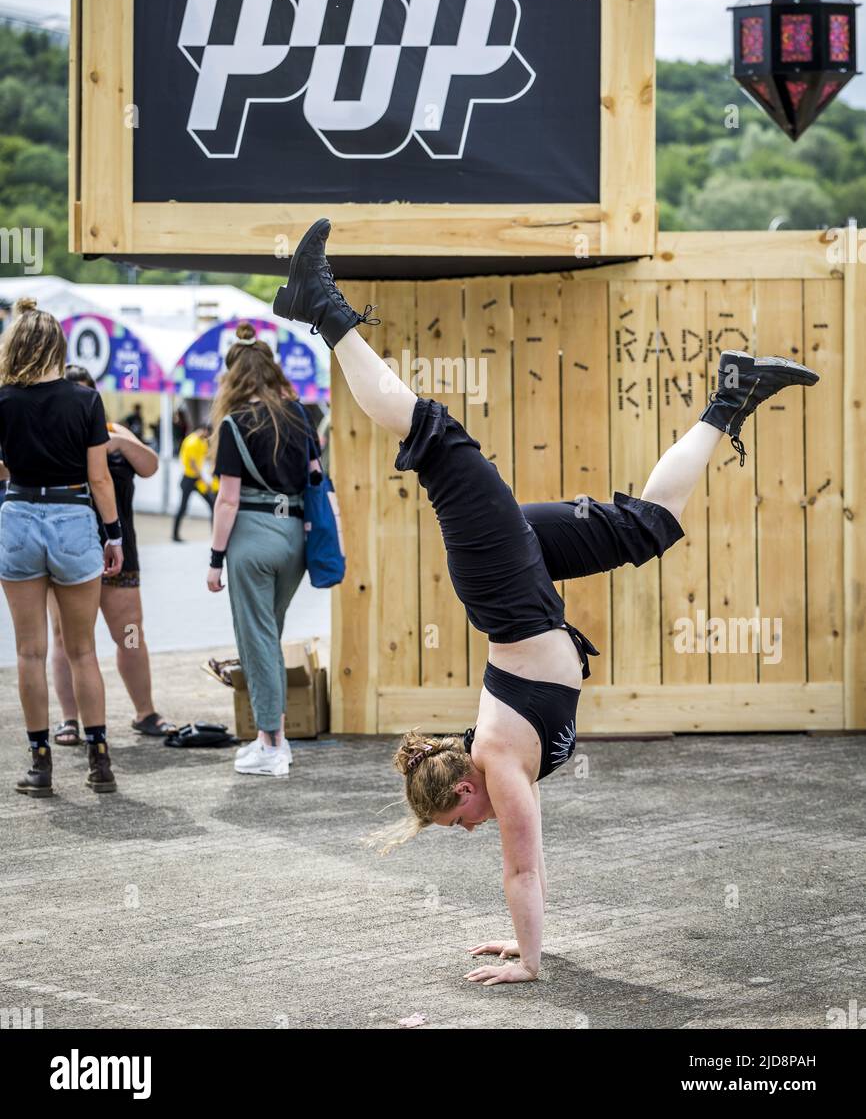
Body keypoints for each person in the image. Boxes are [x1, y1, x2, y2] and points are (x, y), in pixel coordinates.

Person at [273, 219, 820, 986]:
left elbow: (522, 875)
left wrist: (529, 964)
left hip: (506, 586)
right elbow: (522, 876)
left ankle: (319, 305)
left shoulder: (496, 765)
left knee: (433, 434)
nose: (468, 830)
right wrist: (520, 944)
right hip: (525, 582)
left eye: (454, 821)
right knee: (647, 528)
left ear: (465, 789)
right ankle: (732, 395)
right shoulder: (491, 764)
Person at [0, 299, 123, 797]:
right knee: (83, 650)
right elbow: (99, 477)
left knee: (30, 652)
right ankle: (99, 761)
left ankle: (41, 763)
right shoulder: (86, 401)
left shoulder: (3, 400)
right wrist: (113, 535)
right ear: (58, 346)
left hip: (21, 515)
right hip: (74, 517)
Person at [206, 322, 316, 777]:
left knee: (256, 641)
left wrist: (215, 560)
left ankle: (272, 743)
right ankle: (273, 737)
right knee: (269, 635)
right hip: (293, 538)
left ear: (233, 377)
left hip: (251, 538)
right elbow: (314, 476)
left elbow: (228, 499)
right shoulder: (300, 415)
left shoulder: (233, 425)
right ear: (272, 371)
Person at [50, 367, 178, 745]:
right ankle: (69, 719)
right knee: (65, 640)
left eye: (87, 396)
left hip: (122, 556)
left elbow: (151, 466)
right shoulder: (54, 437)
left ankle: (145, 712)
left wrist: (121, 444)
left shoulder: (114, 432)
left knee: (131, 634)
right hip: (69, 554)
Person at [172, 424, 214, 541]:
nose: (207, 437)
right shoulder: (191, 441)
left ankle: (214, 535)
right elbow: (192, 463)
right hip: (189, 479)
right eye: (208, 434)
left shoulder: (202, 441)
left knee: (212, 503)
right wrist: (204, 479)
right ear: (204, 430)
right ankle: (175, 535)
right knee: (183, 507)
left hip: (197, 480)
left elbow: (205, 456)